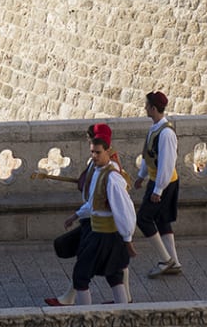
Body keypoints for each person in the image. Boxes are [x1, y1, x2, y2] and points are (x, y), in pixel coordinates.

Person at [47, 136, 136, 306]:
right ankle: (124, 315)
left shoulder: (112, 177)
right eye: (92, 152)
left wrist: (127, 239)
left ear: (108, 152)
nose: (94, 156)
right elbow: (93, 203)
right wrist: (76, 216)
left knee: (82, 276)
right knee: (115, 276)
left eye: (98, 152)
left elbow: (124, 209)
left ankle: (88, 317)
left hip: (103, 236)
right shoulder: (99, 172)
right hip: (100, 232)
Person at [133, 90, 182, 278]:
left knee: (143, 219)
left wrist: (159, 189)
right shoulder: (155, 129)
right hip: (156, 181)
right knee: (162, 221)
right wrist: (141, 176)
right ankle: (174, 261)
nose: (145, 108)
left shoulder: (166, 133)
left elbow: (167, 163)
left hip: (164, 184)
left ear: (153, 108)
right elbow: (149, 155)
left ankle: (165, 259)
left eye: (147, 105)